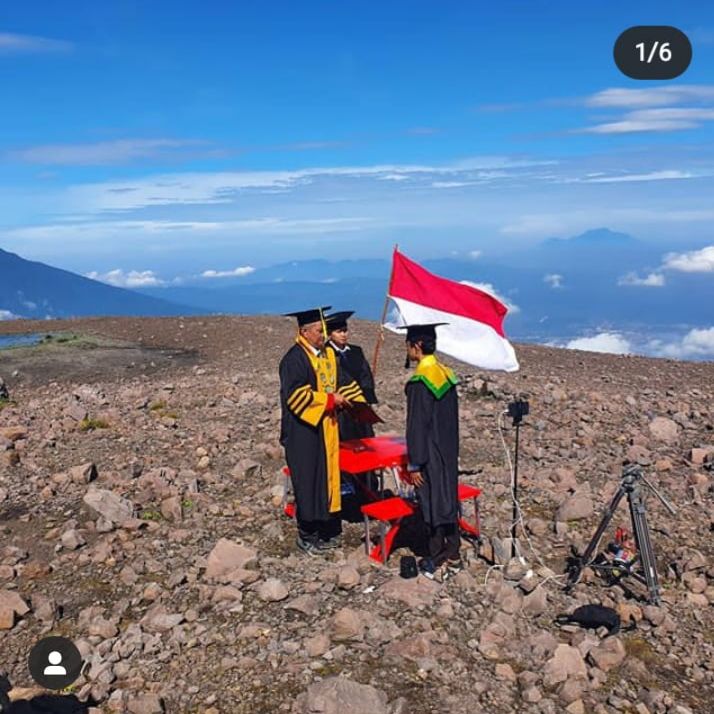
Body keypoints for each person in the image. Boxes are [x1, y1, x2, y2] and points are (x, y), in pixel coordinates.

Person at [279, 306, 366, 555]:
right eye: (319, 330)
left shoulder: (326, 354)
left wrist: (356, 401)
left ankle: (325, 529)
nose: (323, 334)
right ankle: (307, 534)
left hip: (327, 427)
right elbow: (295, 396)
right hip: (303, 431)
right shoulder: (293, 359)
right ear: (304, 331)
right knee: (308, 480)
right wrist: (330, 401)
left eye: (324, 329)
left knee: (326, 479)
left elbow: (341, 381)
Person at [400, 323, 461, 579]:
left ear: (417, 346)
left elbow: (416, 427)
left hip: (429, 454)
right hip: (447, 449)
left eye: (408, 345)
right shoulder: (446, 374)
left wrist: (414, 464)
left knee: (432, 500)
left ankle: (437, 555)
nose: (407, 349)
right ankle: (454, 549)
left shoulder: (420, 382)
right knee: (447, 496)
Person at [324, 310, 378, 441]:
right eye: (339, 331)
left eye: (345, 330)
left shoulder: (356, 351)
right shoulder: (325, 354)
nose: (343, 334)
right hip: (341, 410)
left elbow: (366, 375)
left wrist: (366, 397)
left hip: (360, 406)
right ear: (330, 334)